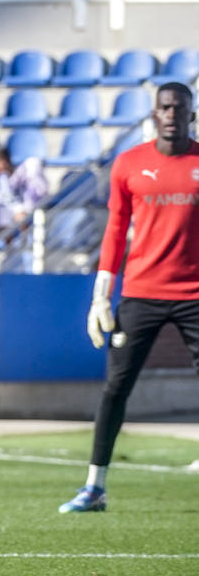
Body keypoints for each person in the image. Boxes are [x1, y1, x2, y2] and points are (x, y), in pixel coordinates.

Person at [65, 83, 199, 514]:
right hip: (141, 292)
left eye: (180, 106)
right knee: (115, 388)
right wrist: (101, 293)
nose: (172, 113)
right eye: (165, 107)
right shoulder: (129, 164)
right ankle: (94, 486)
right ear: (154, 114)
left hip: (195, 293)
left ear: (191, 113)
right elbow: (115, 229)